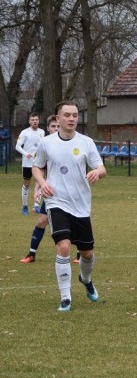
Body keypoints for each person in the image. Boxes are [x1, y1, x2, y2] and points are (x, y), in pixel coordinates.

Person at [32, 102, 106, 311]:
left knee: (87, 253)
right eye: (67, 115)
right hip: (56, 201)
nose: (72, 118)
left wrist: (96, 172)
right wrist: (43, 182)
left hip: (81, 204)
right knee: (63, 246)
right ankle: (65, 297)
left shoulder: (86, 142)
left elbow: (101, 168)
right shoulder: (46, 143)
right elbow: (37, 167)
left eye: (74, 115)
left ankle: (86, 279)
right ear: (58, 118)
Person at [20, 115, 60, 263]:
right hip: (50, 192)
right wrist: (37, 189)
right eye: (53, 126)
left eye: (58, 126)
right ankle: (31, 254)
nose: (56, 129)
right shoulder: (45, 146)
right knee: (41, 221)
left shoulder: (68, 143)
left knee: (73, 222)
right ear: (48, 128)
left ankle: (80, 254)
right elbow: (40, 170)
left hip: (69, 193)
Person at [16, 112, 45, 215]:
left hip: (39, 163)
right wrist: (26, 153)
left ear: (38, 121)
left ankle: (36, 206)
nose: (35, 121)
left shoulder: (42, 132)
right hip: (27, 163)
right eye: (33, 120)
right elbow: (17, 146)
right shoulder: (24, 132)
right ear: (29, 121)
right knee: (26, 184)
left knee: (40, 183)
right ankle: (24, 207)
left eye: (36, 120)